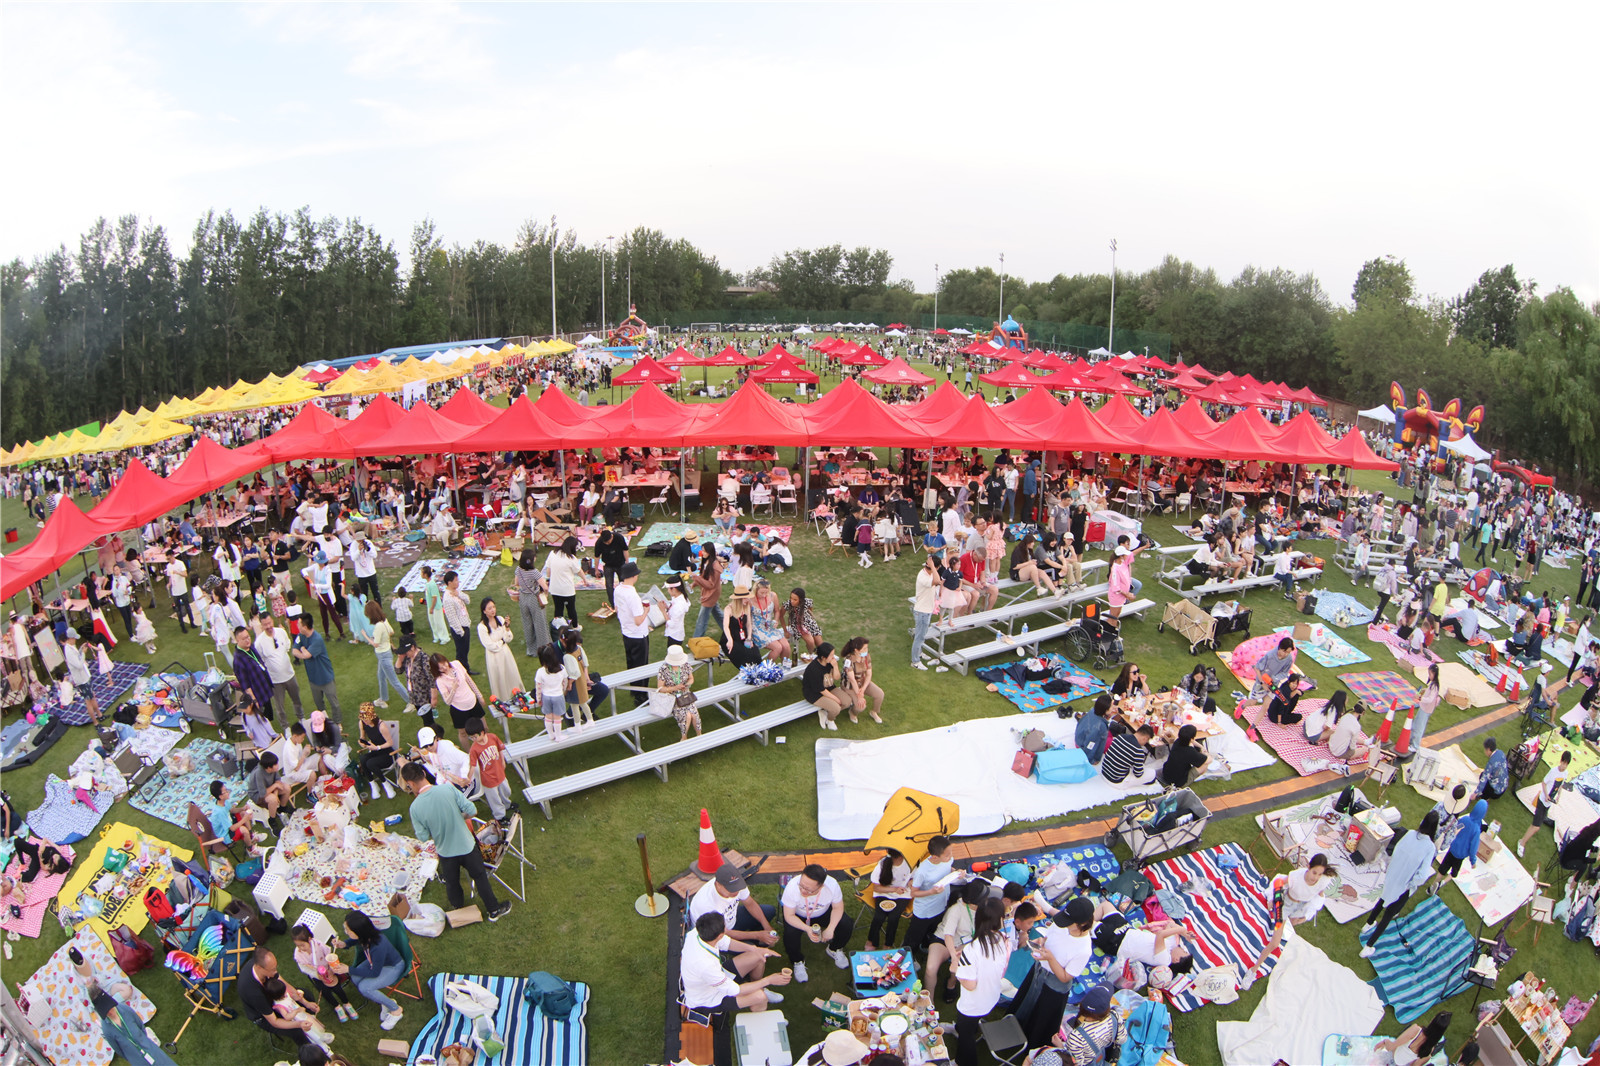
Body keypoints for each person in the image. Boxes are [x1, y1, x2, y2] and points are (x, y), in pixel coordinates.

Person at [399, 761, 510, 921]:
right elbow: (472, 810)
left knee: (452, 882)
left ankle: (458, 908)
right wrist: (459, 817)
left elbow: (423, 837)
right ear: (424, 773)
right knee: (480, 877)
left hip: (445, 851)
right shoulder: (447, 788)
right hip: (466, 845)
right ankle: (493, 910)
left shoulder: (415, 808)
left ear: (410, 783)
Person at [1011, 896, 1098, 1049]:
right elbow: (1049, 937)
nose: (1064, 924)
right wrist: (1041, 942)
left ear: (1082, 924)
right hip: (1038, 973)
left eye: (1069, 922)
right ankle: (1013, 1030)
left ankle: (1031, 1049)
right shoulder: (1061, 925)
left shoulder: (1083, 949)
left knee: (1040, 1021)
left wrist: (1050, 958)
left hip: (1053, 987)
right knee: (1026, 1004)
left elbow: (1065, 977)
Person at [1359, 810, 1440, 957]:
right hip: (1404, 885)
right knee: (1388, 915)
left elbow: (1396, 851)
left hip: (1393, 876)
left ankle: (1368, 923)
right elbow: (1422, 874)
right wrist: (1411, 883)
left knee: (1383, 899)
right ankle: (1369, 946)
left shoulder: (1409, 834)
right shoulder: (1430, 847)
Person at [682, 911, 789, 1019]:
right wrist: (769, 980)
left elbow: (728, 943)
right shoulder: (705, 966)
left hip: (717, 978)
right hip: (708, 999)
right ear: (720, 935)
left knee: (758, 956)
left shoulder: (697, 932)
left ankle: (759, 988)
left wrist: (756, 949)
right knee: (760, 997)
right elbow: (736, 990)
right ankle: (764, 1018)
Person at [951, 897, 1013, 1066]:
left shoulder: (972, 950)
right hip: (991, 995)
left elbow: (970, 984)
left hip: (973, 1004)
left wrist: (956, 968)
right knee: (967, 1027)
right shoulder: (1004, 939)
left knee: (966, 1037)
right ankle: (959, 1037)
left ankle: (962, 1062)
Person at [1249, 853, 1334, 974]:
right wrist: (1273, 900)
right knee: (1275, 943)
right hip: (1286, 905)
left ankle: (1283, 926)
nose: (1316, 877)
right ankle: (1253, 970)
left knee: (1291, 925)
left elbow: (1320, 896)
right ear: (1308, 867)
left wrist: (1305, 916)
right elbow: (1278, 883)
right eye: (1314, 873)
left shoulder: (1323, 881)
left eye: (1320, 874)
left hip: (1301, 907)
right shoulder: (1296, 877)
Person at [688, 861, 779, 959]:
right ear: (718, 885)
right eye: (731, 890)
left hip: (731, 919)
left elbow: (750, 903)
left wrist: (766, 926)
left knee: (769, 911)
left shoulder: (737, 884)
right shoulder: (706, 905)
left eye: (737, 888)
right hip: (717, 935)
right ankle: (756, 943)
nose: (736, 892)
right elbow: (724, 932)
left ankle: (760, 938)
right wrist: (757, 935)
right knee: (751, 952)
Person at [780, 863, 854, 984]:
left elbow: (838, 908)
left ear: (821, 887)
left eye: (808, 889)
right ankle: (797, 961)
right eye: (801, 886)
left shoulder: (832, 885)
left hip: (822, 912)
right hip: (799, 915)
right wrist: (807, 929)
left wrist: (830, 928)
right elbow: (789, 915)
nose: (803, 891)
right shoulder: (792, 886)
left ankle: (834, 949)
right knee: (790, 934)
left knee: (846, 923)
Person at [239, 947, 320, 1049]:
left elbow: (282, 983)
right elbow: (275, 1022)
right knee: (295, 1030)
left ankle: (313, 1026)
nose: (275, 971)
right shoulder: (253, 992)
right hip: (264, 1015)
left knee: (307, 994)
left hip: (274, 997)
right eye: (273, 969)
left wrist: (305, 1002)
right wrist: (299, 1024)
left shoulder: (261, 965)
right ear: (260, 968)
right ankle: (310, 1051)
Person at [340, 911, 406, 1030]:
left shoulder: (377, 946)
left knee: (365, 987)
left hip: (393, 967)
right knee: (355, 977)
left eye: (348, 930)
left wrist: (348, 969)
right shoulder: (367, 935)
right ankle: (385, 1002)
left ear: (359, 931)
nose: (346, 931)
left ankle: (396, 1009)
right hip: (376, 963)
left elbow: (374, 973)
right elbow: (356, 939)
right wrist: (344, 943)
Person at [902, 835, 959, 953]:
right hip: (925, 910)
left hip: (941, 904)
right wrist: (931, 892)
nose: (951, 856)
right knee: (915, 936)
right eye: (947, 855)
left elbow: (948, 869)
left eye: (951, 852)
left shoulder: (947, 860)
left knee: (934, 929)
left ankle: (926, 945)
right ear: (934, 856)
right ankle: (910, 954)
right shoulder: (922, 871)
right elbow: (914, 893)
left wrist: (956, 873)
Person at [1518, 749, 1572, 858]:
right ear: (1560, 761)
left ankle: (1522, 841)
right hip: (1543, 800)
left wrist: (1558, 797)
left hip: (1549, 803)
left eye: (1566, 764)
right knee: (1536, 826)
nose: (1564, 766)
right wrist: (1546, 795)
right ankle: (1522, 843)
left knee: (1536, 825)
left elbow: (1560, 785)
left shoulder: (1565, 773)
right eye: (1563, 763)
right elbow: (1544, 782)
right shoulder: (1553, 771)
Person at [429, 653, 487, 752]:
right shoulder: (440, 680)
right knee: (463, 733)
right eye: (440, 668)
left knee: (484, 727)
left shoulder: (456, 664)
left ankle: (485, 746)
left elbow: (469, 680)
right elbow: (447, 701)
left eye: (444, 664)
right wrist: (453, 689)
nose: (444, 667)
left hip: (472, 701)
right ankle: (470, 753)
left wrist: (480, 696)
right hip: (459, 708)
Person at [254, 615, 304, 723]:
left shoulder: (281, 632)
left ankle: (301, 718)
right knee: (280, 706)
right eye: (265, 624)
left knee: (297, 699)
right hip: (275, 681)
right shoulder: (259, 643)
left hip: (290, 675)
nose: (268, 626)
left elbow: (287, 645)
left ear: (272, 621)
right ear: (261, 626)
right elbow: (261, 661)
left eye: (269, 623)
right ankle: (285, 726)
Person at [613, 562, 651, 705]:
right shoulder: (632, 595)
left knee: (631, 661)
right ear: (634, 576)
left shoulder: (617, 590)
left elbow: (617, 609)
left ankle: (634, 689)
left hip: (626, 632)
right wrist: (646, 611)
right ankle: (641, 696)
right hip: (638, 634)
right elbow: (638, 620)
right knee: (642, 665)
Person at [291, 625, 343, 727]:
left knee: (334, 703)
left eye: (299, 624)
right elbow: (294, 651)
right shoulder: (300, 636)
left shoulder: (317, 639)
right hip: (313, 679)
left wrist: (302, 649)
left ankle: (338, 722)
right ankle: (324, 721)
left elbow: (307, 655)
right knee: (319, 704)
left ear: (304, 627)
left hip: (326, 678)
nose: (298, 626)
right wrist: (303, 652)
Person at [862, 849, 912, 951]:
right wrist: (894, 889)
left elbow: (914, 876)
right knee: (878, 917)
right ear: (900, 856)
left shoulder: (910, 863)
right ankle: (872, 941)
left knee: (894, 918)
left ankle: (888, 944)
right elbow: (877, 888)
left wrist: (911, 880)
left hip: (902, 895)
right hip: (884, 893)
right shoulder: (882, 864)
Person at [465, 717, 512, 822]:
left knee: (506, 790)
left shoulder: (493, 737)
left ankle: (507, 804)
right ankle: (500, 816)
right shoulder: (474, 749)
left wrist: (503, 761)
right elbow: (472, 765)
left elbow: (500, 749)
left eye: (475, 737)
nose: (473, 739)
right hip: (488, 778)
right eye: (471, 737)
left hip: (499, 772)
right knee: (494, 798)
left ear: (482, 733)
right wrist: (469, 778)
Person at [476, 597, 522, 702]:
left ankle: (516, 695)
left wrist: (507, 627)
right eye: (489, 608)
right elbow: (489, 645)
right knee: (500, 677)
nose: (493, 610)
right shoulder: (482, 627)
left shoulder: (500, 619)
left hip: (506, 653)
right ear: (484, 611)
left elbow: (508, 638)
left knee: (511, 673)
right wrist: (501, 642)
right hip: (494, 656)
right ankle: (503, 699)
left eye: (493, 607)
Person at [352, 703, 398, 800]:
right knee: (363, 759)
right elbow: (362, 737)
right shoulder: (362, 723)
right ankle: (372, 783)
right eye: (363, 718)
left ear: (372, 716)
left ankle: (385, 783)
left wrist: (377, 747)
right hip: (374, 751)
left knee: (370, 763)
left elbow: (390, 743)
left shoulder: (381, 726)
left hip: (386, 753)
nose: (365, 721)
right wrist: (362, 742)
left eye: (366, 718)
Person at [1375, 1011, 1454, 1066]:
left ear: (1433, 1020)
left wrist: (1385, 1041)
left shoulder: (1416, 1030)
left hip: (1389, 1058)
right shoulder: (1430, 1049)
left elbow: (1390, 1047)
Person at [657, 644, 700, 742]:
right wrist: (674, 688)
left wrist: (687, 685)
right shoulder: (663, 669)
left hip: (685, 694)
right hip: (672, 697)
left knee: (694, 714)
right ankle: (684, 736)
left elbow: (691, 678)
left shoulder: (685, 665)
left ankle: (699, 735)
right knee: (687, 716)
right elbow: (660, 689)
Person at [532, 643, 571, 741]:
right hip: (558, 696)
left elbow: (538, 687)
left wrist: (539, 699)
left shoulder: (540, 671)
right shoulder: (561, 668)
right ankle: (558, 736)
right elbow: (565, 681)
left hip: (546, 696)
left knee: (548, 717)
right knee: (557, 718)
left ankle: (551, 735)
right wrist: (563, 690)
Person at [802, 643, 844, 731]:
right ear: (823, 658)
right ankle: (830, 719)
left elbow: (836, 677)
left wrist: (835, 666)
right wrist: (836, 699)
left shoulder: (829, 663)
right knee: (836, 708)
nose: (833, 657)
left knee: (847, 701)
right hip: (814, 693)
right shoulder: (814, 669)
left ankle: (826, 711)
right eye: (831, 655)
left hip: (828, 687)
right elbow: (821, 690)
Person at [440, 571, 475, 673]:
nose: (458, 582)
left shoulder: (456, 591)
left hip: (465, 624)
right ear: (449, 582)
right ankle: (461, 672)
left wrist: (459, 594)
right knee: (461, 652)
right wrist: (461, 631)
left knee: (465, 651)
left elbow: (467, 600)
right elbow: (452, 617)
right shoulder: (447, 598)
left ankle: (466, 669)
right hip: (459, 629)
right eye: (456, 580)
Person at [247, 751, 295, 822]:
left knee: (287, 787)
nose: (278, 765)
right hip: (258, 795)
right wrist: (275, 786)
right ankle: (272, 819)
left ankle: (282, 807)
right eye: (275, 764)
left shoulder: (273, 769)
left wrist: (275, 793)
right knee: (273, 799)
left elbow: (278, 780)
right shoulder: (258, 774)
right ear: (269, 768)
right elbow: (263, 794)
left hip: (269, 788)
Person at [722, 584, 763, 667]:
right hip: (731, 637)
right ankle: (748, 675)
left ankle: (760, 674)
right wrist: (730, 640)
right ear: (738, 599)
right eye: (745, 598)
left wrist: (749, 638)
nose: (747, 600)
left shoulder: (746, 607)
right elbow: (725, 626)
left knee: (755, 654)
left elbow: (748, 624)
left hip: (743, 637)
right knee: (745, 656)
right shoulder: (728, 609)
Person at [911, 554, 939, 670]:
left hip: (926, 610)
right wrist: (933, 566)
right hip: (922, 611)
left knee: (921, 635)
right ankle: (915, 661)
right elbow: (937, 580)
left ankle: (919, 653)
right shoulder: (924, 576)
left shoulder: (930, 573)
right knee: (919, 637)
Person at [690, 548, 725, 640]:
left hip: (711, 595)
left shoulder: (715, 567)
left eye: (704, 551)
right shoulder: (707, 562)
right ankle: (730, 629)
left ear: (710, 552)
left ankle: (697, 639)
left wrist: (696, 579)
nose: (702, 552)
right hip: (709, 593)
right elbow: (704, 576)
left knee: (702, 619)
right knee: (717, 613)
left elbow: (710, 585)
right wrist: (694, 583)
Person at [1327, 698, 1371, 763]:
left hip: (1331, 744)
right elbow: (1352, 746)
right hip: (1338, 752)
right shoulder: (1356, 726)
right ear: (1363, 713)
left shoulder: (1345, 716)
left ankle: (1365, 742)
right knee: (1364, 749)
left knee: (1350, 735)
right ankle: (1366, 744)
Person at [785, 587, 823, 657]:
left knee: (821, 645)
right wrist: (785, 630)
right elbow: (781, 615)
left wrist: (810, 615)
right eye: (791, 598)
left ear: (801, 600)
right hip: (797, 624)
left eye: (795, 599)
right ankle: (812, 656)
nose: (792, 601)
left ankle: (822, 656)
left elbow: (810, 608)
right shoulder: (788, 604)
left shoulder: (807, 602)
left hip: (808, 621)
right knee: (811, 642)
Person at [1414, 664, 1442, 752]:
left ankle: (1415, 746)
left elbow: (1430, 699)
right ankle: (1412, 741)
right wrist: (1423, 692)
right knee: (1416, 724)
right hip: (1423, 707)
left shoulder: (1435, 686)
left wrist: (1420, 698)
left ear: (1434, 674)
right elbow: (1429, 693)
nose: (1429, 675)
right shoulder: (1432, 684)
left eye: (1430, 674)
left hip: (1426, 709)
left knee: (1419, 727)